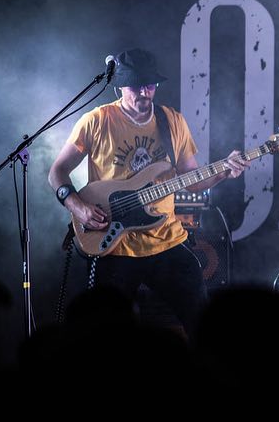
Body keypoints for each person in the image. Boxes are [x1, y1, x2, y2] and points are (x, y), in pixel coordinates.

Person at [48, 48, 248, 333]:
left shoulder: (172, 121)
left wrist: (223, 172)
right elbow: (57, 172)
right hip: (115, 246)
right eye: (136, 86)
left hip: (166, 240)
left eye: (150, 85)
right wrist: (78, 207)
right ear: (119, 86)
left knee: (204, 327)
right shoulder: (97, 121)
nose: (144, 92)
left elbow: (190, 179)